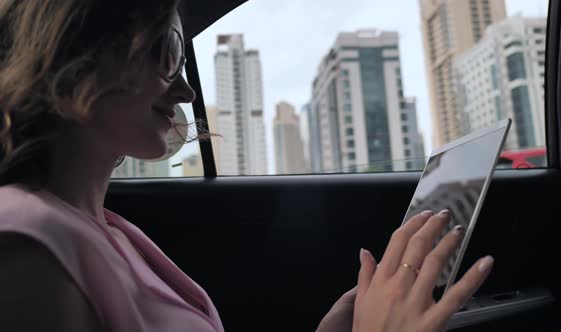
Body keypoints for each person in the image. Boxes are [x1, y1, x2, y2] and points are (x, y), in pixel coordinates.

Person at [0, 1, 493, 331]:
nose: (186, 91)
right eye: (170, 52)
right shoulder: (25, 241)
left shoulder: (107, 231)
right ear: (78, 48)